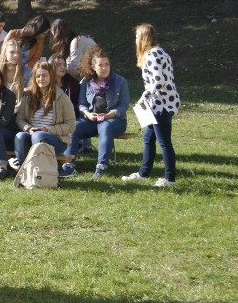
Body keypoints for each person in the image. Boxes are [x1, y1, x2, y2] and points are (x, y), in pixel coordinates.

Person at [59, 45, 130, 179]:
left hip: (115, 120)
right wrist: (87, 114)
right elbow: (81, 104)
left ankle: (101, 166)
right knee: (73, 127)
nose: (104, 68)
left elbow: (124, 105)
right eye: (100, 65)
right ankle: (68, 165)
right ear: (93, 67)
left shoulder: (120, 81)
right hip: (91, 120)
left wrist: (110, 114)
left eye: (107, 64)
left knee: (105, 126)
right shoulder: (86, 82)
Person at [122, 24, 180, 187]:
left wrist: (143, 98)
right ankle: (143, 173)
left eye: (137, 37)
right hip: (161, 104)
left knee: (164, 142)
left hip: (159, 105)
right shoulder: (161, 52)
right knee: (148, 139)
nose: (135, 40)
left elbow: (158, 81)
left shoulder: (152, 55)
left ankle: (170, 178)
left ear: (143, 38)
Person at [13, 61, 76, 169]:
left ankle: (39, 172)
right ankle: (23, 171)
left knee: (39, 135)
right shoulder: (27, 95)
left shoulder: (62, 97)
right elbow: (20, 119)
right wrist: (28, 128)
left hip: (55, 140)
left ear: (51, 76)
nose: (41, 79)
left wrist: (47, 130)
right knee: (20, 136)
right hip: (32, 134)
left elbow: (71, 125)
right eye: (38, 76)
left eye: (45, 75)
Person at [4, 15, 49, 84]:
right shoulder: (13, 34)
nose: (44, 36)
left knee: (28, 72)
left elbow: (36, 57)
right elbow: (3, 52)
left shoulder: (39, 40)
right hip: (9, 65)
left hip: (25, 69)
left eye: (46, 34)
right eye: (43, 33)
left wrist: (27, 66)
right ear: (37, 29)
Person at [0, 37, 25, 106]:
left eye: (18, 52)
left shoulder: (26, 72)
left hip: (19, 111)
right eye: (12, 52)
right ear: (5, 53)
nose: (16, 55)